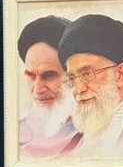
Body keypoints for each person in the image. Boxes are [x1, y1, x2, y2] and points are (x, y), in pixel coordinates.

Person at [57, 14, 123, 159]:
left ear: (120, 74)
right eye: (72, 78)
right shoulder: (79, 138)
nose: (78, 89)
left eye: (87, 74)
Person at [16, 15, 80, 158]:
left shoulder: (97, 136)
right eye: (31, 76)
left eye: (49, 75)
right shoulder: (14, 135)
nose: (37, 89)